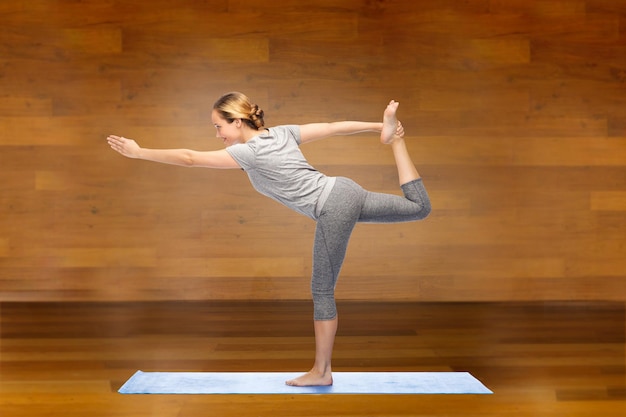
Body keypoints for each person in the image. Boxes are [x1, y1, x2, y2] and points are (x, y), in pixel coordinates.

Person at [107, 92, 431, 387]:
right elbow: (334, 127)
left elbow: (190, 158)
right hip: (344, 191)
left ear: (237, 122)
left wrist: (139, 152)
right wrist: (381, 127)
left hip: (332, 205)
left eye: (219, 127)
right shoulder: (282, 133)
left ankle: (322, 371)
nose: (217, 135)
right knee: (418, 208)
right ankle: (398, 143)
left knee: (321, 290)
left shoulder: (249, 153)